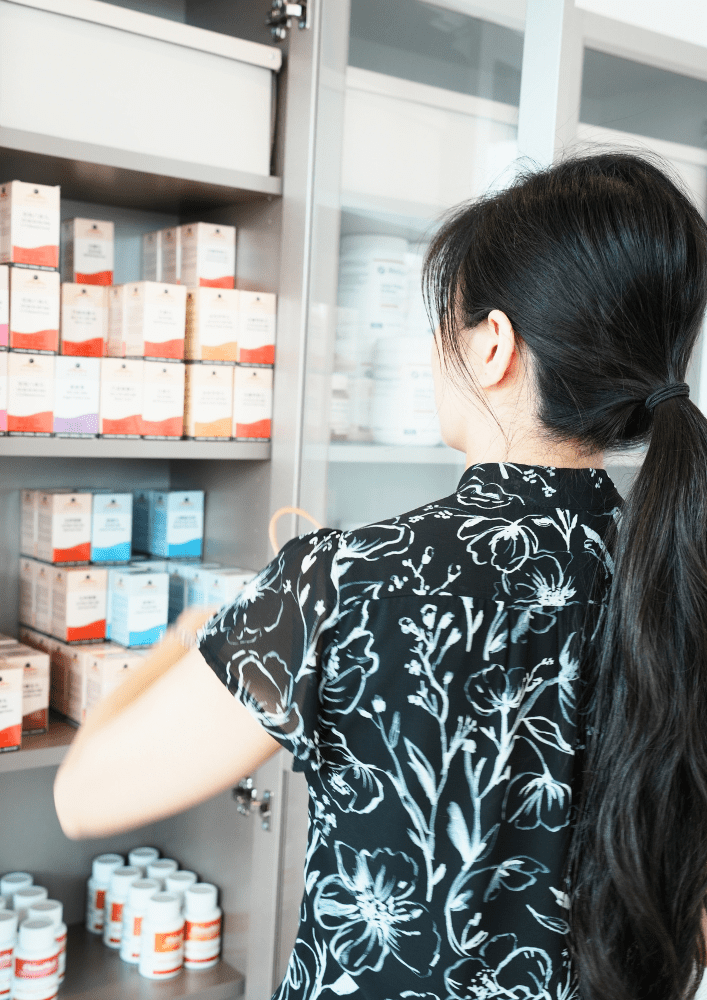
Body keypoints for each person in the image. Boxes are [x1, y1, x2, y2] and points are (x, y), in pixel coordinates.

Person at [54, 152, 707, 1000]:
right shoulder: (679, 575)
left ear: (491, 346)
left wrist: (186, 637)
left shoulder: (351, 580)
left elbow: (84, 793)